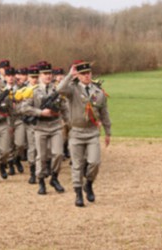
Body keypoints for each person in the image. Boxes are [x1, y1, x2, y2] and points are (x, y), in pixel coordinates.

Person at [56, 60, 111, 207]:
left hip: (92, 132)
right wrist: (69, 75)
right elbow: (59, 89)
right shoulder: (72, 90)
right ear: (78, 76)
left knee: (94, 162)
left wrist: (108, 132)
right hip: (76, 132)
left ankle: (89, 184)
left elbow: (104, 113)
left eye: (88, 73)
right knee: (77, 165)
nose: (87, 76)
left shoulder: (98, 91)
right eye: (83, 74)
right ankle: (78, 194)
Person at [21, 61, 67, 195]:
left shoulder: (57, 90)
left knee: (58, 153)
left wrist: (69, 122)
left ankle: (54, 178)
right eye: (45, 73)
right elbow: (24, 107)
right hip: (40, 126)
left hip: (55, 125)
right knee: (41, 156)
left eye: (49, 73)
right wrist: (40, 112)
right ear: (40, 75)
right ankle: (41, 181)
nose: (48, 76)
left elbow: (64, 107)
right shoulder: (32, 90)